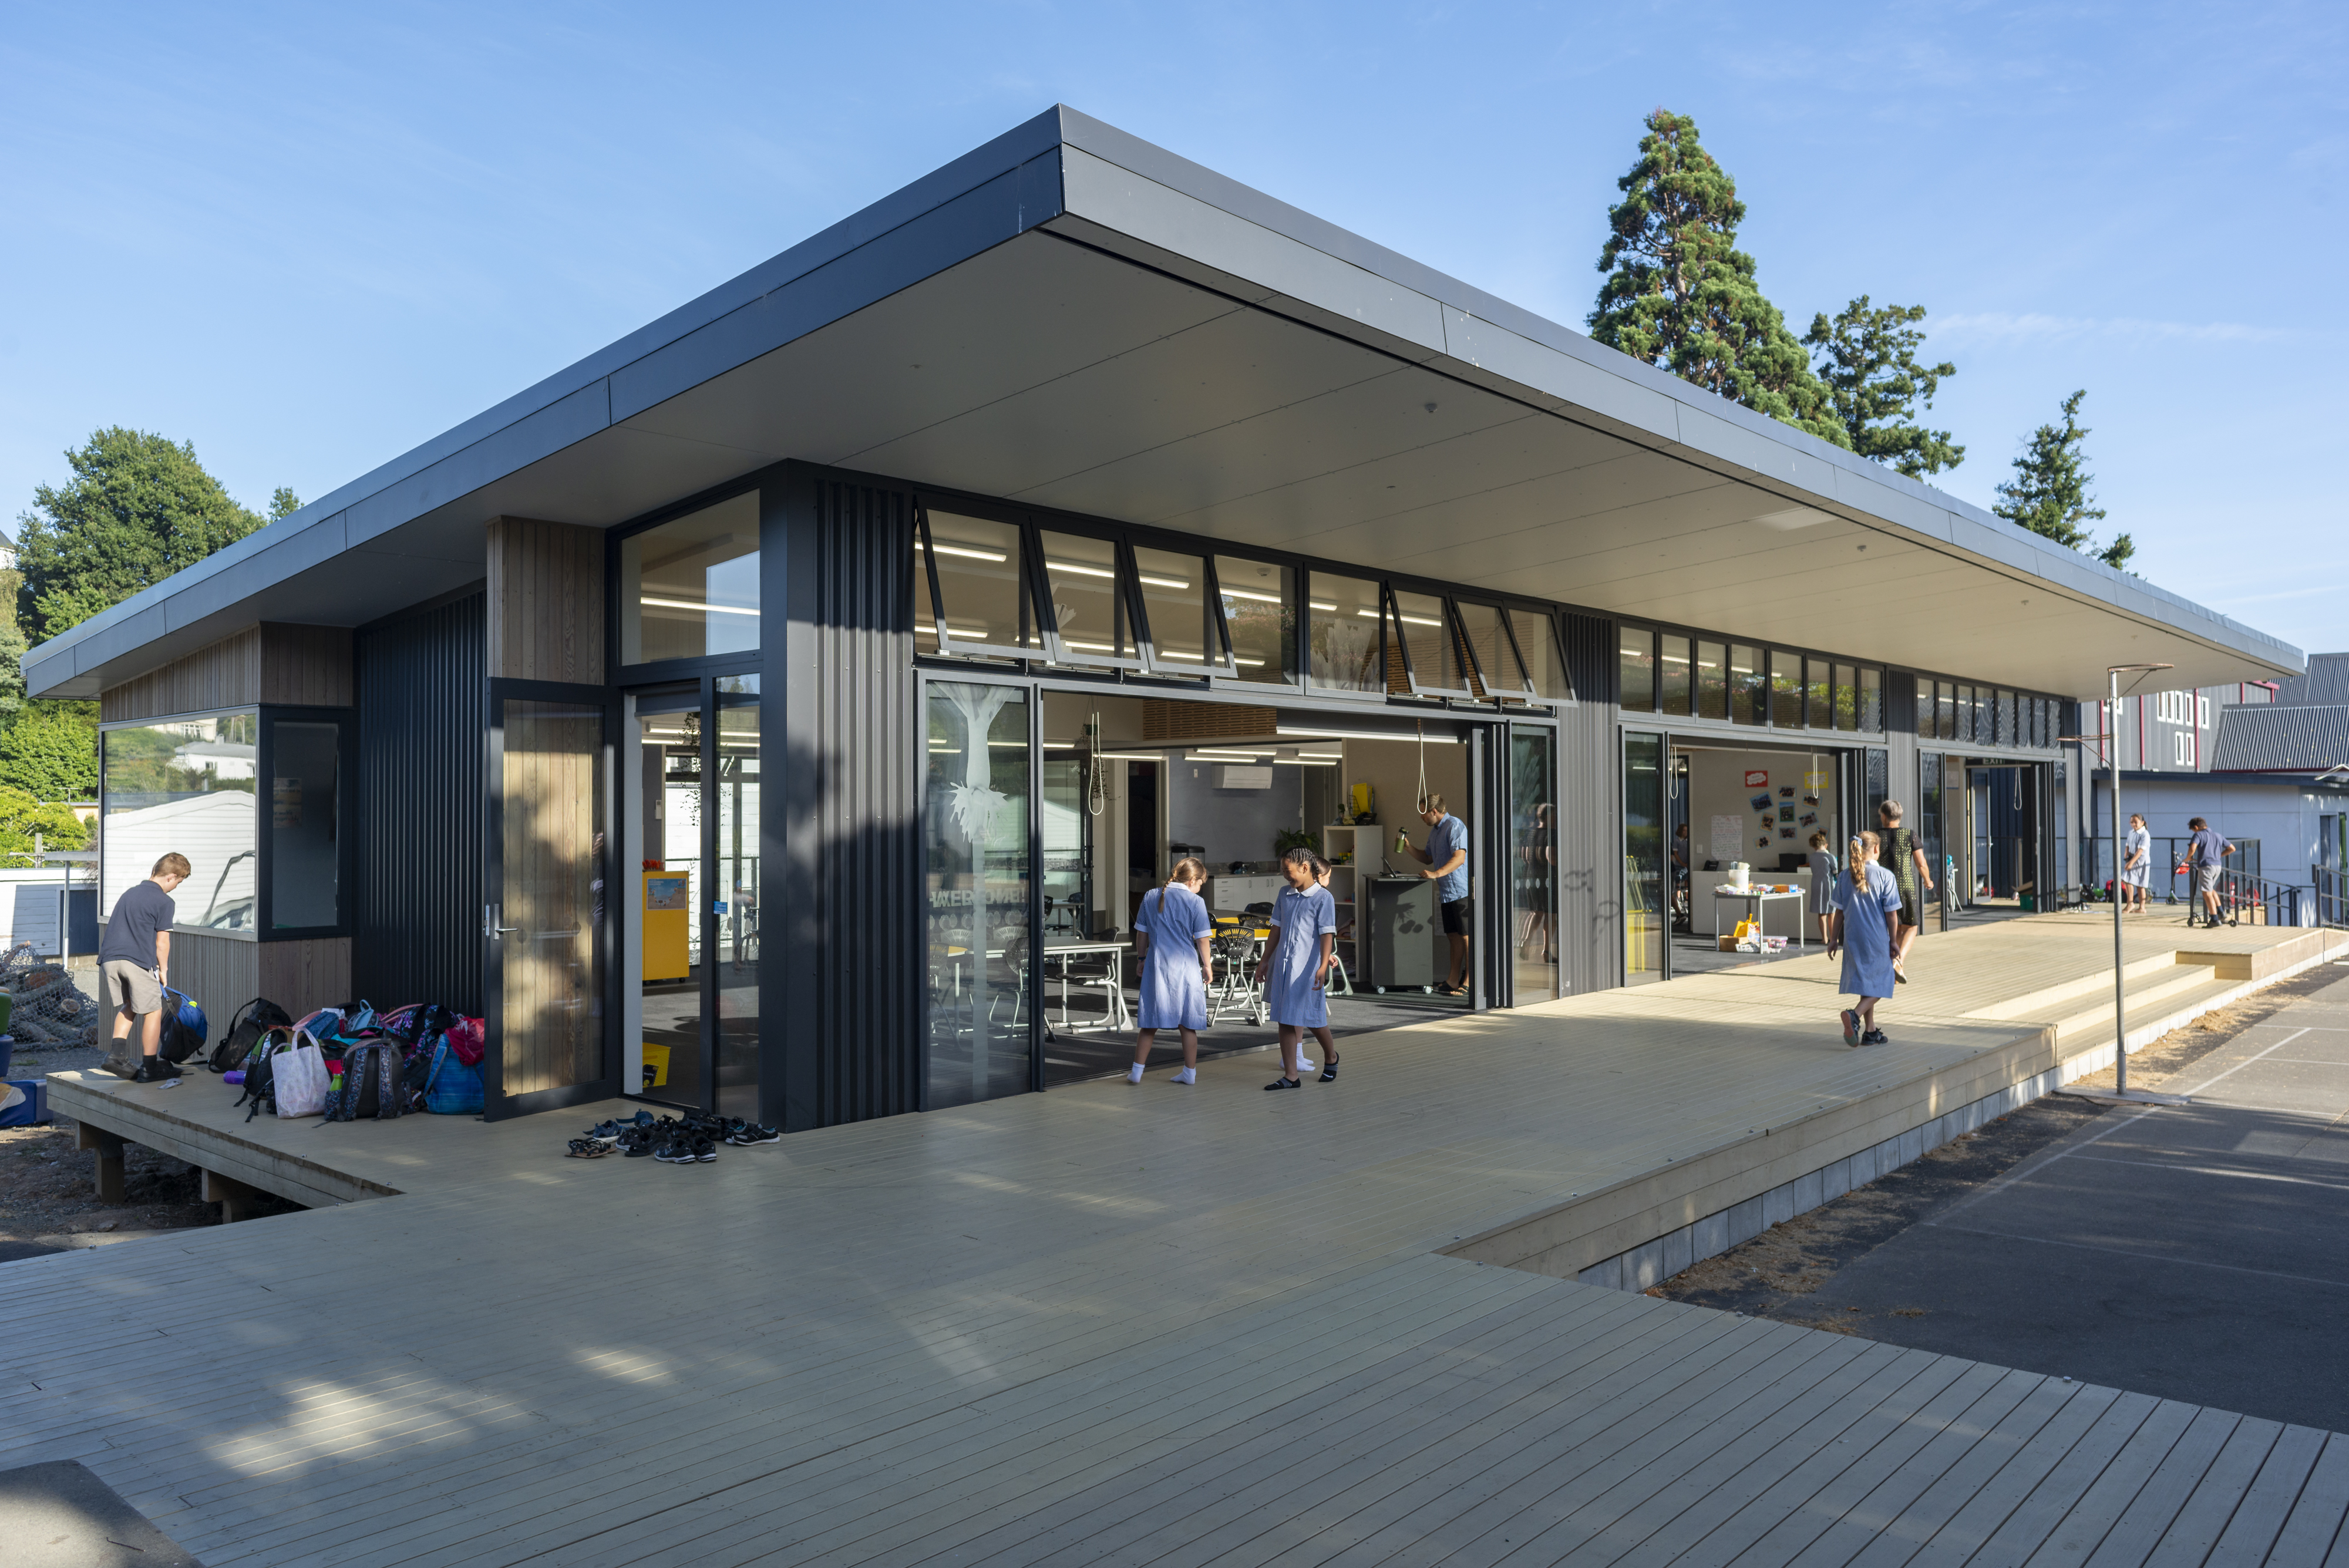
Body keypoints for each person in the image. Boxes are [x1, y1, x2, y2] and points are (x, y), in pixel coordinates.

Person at [102, 853, 189, 1085]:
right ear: (171, 877)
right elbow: (162, 942)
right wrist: (164, 969)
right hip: (137, 961)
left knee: (130, 1005)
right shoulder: (164, 901)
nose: (175, 888)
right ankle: (150, 1068)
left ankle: (117, 1056)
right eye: (178, 883)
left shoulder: (129, 893)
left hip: (110, 959)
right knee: (153, 1011)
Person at [1256, 848, 1338, 1089]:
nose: (1285, 876)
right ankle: (1291, 1075)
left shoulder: (1324, 899)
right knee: (1284, 1018)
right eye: (1283, 871)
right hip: (1283, 965)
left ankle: (1331, 1057)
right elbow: (1276, 929)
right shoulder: (1285, 894)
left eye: (1288, 871)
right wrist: (1265, 960)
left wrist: (1323, 966)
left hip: (1308, 967)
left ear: (1304, 868)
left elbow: (1327, 935)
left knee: (1312, 1018)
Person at [1128, 857, 1213, 1085]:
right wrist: (1207, 965)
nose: (1199, 888)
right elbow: (1203, 939)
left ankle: (1137, 1071)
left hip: (1157, 964)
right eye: (1200, 884)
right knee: (1187, 1024)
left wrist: (1141, 958)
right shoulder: (1195, 902)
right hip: (1185, 966)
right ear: (1193, 880)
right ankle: (1189, 1073)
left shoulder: (1151, 896)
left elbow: (1141, 934)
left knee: (1149, 1024)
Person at [1826, 832, 1900, 1047]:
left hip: (1852, 937)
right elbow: (1892, 914)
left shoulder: (1843, 876)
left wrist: (1833, 939)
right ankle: (1855, 1015)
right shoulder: (1886, 876)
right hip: (1876, 938)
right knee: (1884, 980)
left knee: (1866, 982)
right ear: (1876, 850)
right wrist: (1894, 941)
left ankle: (1870, 1031)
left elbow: (1838, 912)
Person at [1402, 794, 1472, 995]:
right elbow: (1427, 858)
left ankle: (1469, 981)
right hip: (1447, 892)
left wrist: (1436, 873)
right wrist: (1408, 847)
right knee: (1453, 936)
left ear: (1434, 811)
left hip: (1461, 890)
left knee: (1467, 937)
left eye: (1424, 813)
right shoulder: (1434, 832)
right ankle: (1452, 980)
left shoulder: (1454, 825)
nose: (1421, 818)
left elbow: (1459, 858)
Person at [1876, 801, 1934, 982]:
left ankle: (1893, 969)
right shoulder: (1910, 835)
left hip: (1882, 887)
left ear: (1884, 816)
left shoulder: (1876, 836)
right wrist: (1928, 880)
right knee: (1911, 926)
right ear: (1899, 817)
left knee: (1894, 929)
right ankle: (1898, 961)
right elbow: (1921, 862)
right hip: (1905, 886)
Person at [2187, 816, 2235, 926]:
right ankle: (2221, 912)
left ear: (2196, 827)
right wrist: (2219, 855)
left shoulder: (2198, 835)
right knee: (2210, 889)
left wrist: (2188, 857)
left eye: (2193, 830)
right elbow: (2232, 848)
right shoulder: (2218, 835)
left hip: (2206, 866)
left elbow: (2193, 847)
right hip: (2217, 866)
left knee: (2206, 893)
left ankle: (2214, 919)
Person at [1805, 830, 1839, 946]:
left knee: (1821, 913)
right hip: (1828, 885)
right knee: (1832, 913)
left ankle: (1824, 938)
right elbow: (1836, 873)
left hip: (1816, 885)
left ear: (1814, 846)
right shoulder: (1830, 856)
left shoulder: (1812, 857)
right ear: (1826, 845)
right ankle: (1834, 938)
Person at [2121, 812, 2152, 914]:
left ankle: (2140, 907)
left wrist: (2130, 863)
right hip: (2132, 858)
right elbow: (2128, 844)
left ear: (2142, 823)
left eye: (2136, 822)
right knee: (2127, 879)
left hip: (2141, 861)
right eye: (2131, 822)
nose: (2133, 824)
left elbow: (2140, 851)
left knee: (2140, 884)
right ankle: (2132, 903)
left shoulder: (2145, 834)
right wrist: (2126, 851)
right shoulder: (2131, 832)